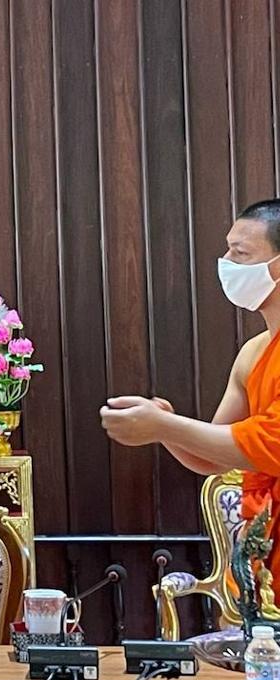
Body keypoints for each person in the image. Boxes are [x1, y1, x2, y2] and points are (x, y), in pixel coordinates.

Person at [102, 199, 280, 574]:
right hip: (262, 545)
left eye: (241, 253)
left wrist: (167, 426)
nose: (227, 263)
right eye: (228, 249)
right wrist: (165, 429)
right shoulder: (254, 353)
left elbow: (270, 443)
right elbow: (216, 455)